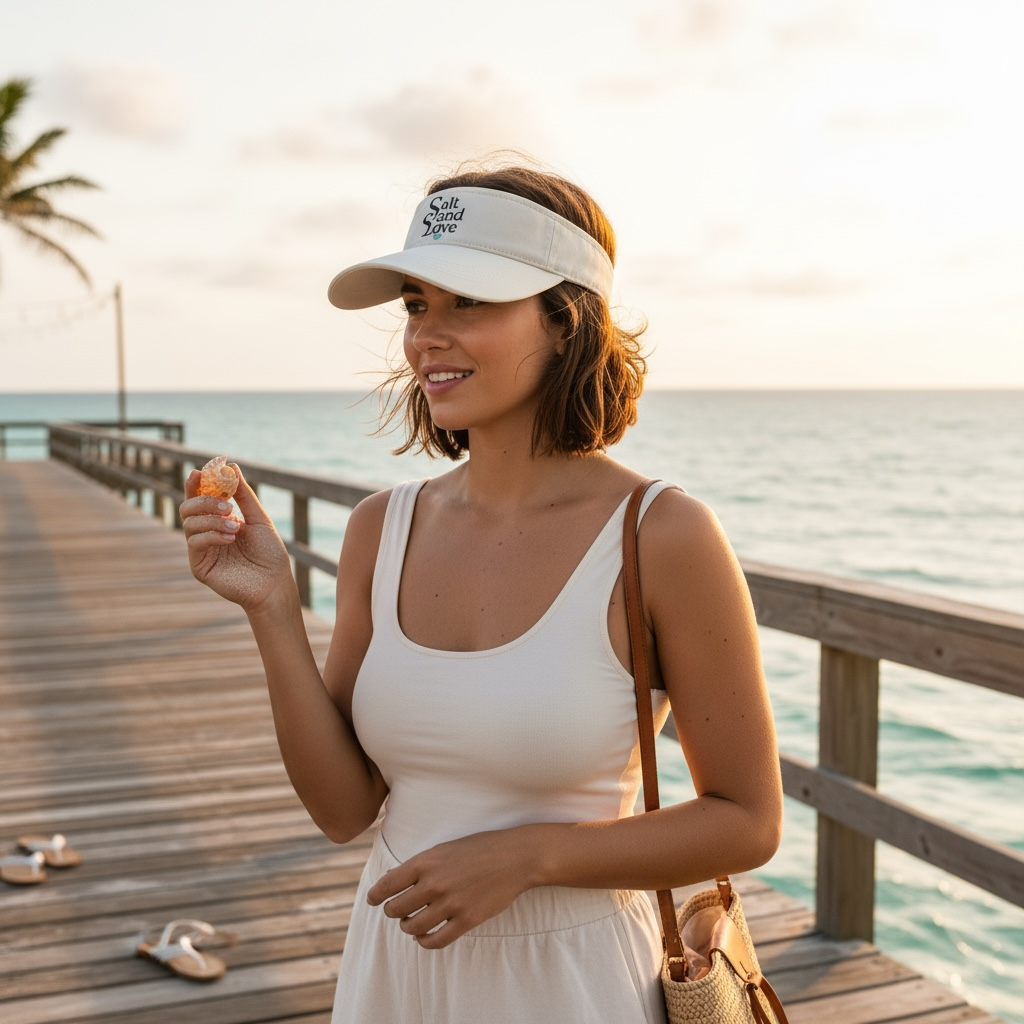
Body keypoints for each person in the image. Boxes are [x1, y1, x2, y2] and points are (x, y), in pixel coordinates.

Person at [180, 162, 784, 1023]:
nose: (427, 334)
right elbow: (344, 809)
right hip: (394, 970)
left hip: (575, 982)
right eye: (418, 304)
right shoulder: (379, 528)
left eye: (469, 301)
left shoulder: (661, 534)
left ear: (566, 318)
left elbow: (748, 820)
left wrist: (531, 856)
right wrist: (273, 611)